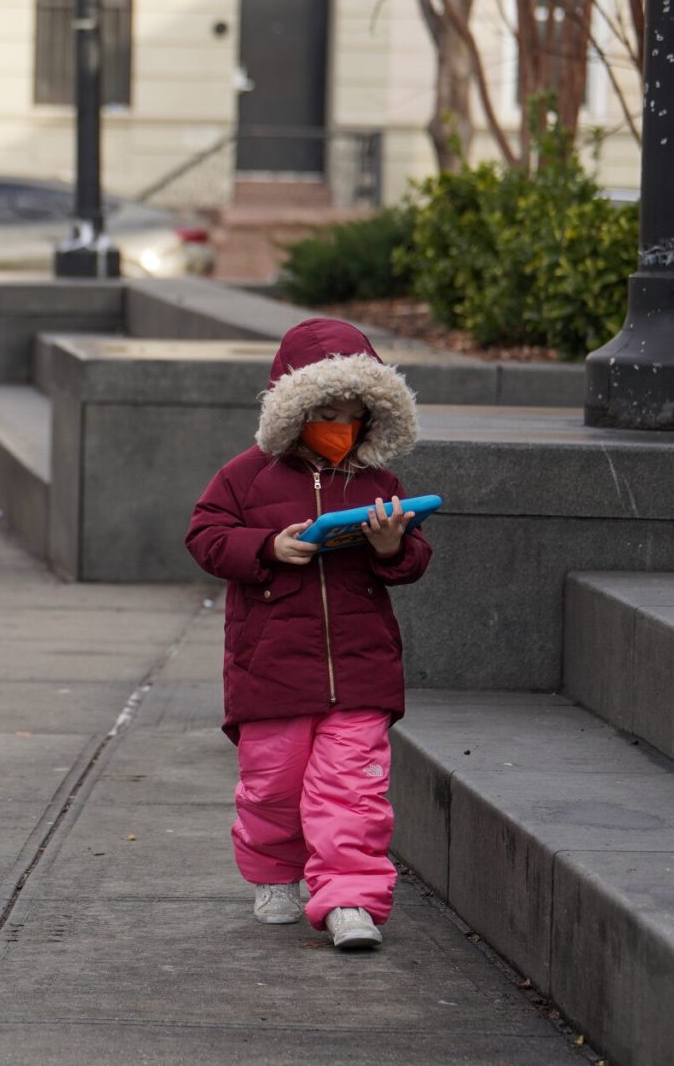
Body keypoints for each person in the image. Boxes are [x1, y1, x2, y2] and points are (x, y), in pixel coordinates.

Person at [185, 318, 429, 952]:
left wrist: (391, 544)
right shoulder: (246, 475)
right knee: (273, 783)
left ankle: (350, 898)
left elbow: (412, 561)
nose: (340, 425)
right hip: (272, 669)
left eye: (353, 413)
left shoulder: (378, 483)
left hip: (360, 667)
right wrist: (266, 546)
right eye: (326, 411)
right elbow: (206, 535)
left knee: (354, 787)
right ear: (294, 408)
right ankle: (274, 873)